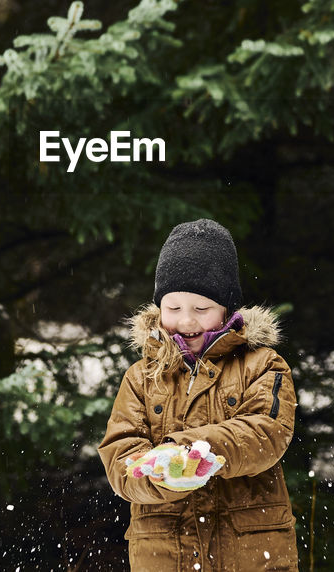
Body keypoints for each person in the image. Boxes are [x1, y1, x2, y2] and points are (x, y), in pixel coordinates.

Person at [98, 218, 299, 571]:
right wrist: (160, 474)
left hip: (249, 551)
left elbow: (267, 433)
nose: (187, 321)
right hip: (165, 552)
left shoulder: (263, 364)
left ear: (226, 309)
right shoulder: (140, 378)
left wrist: (193, 452)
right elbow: (120, 456)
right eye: (174, 309)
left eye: (201, 309)